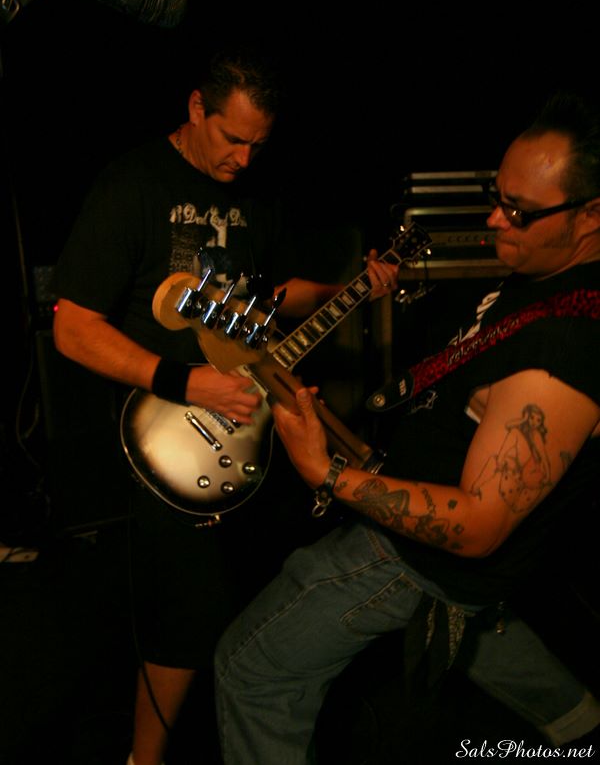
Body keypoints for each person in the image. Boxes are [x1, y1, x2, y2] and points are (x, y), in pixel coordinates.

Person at [215, 90, 600, 763]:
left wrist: (326, 472)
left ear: (592, 214)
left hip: (414, 560)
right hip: (434, 540)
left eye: (519, 211)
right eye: (497, 196)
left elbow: (478, 526)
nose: (495, 218)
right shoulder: (542, 274)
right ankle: (580, 725)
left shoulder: (563, 352)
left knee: (251, 667)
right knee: (479, 622)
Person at [51, 44, 399, 765]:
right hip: (165, 433)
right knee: (184, 612)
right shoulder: (132, 183)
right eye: (232, 139)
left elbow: (271, 299)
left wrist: (351, 290)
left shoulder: (257, 194)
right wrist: (184, 383)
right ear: (195, 108)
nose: (243, 159)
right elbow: (73, 327)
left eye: (258, 145)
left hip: (246, 429)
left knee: (248, 593)